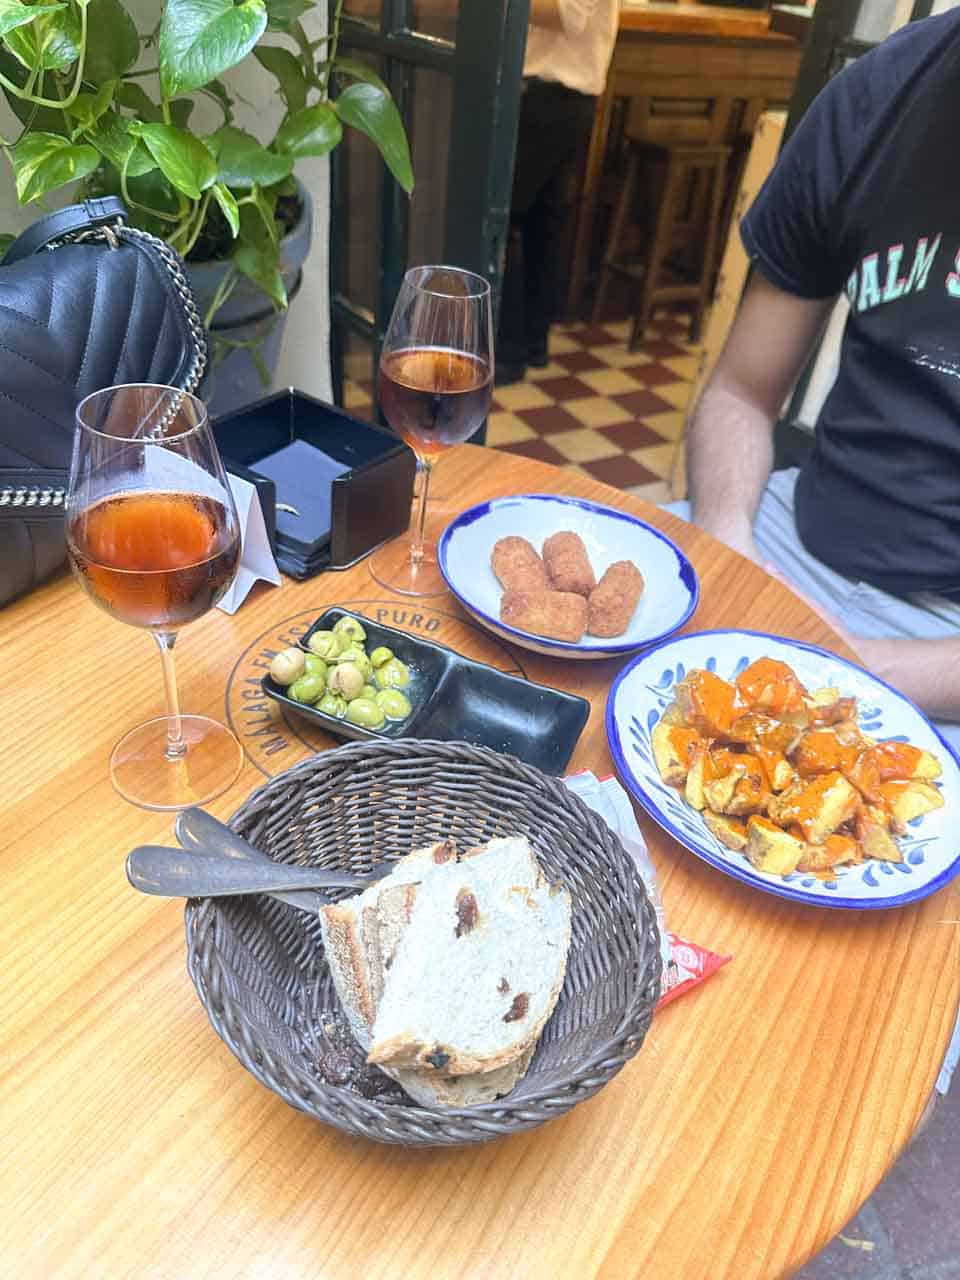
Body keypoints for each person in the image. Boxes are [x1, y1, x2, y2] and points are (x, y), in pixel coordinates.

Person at [678, 8, 960, 762]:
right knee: (564, 722)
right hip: (787, 541)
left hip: (947, 644)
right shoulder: (882, 95)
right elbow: (740, 392)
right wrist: (728, 548)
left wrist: (850, 667)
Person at [496, 0, 620, 384]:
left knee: (503, 217)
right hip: (557, 95)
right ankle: (533, 343)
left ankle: (507, 354)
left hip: (550, 96)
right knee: (540, 222)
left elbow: (568, 14)